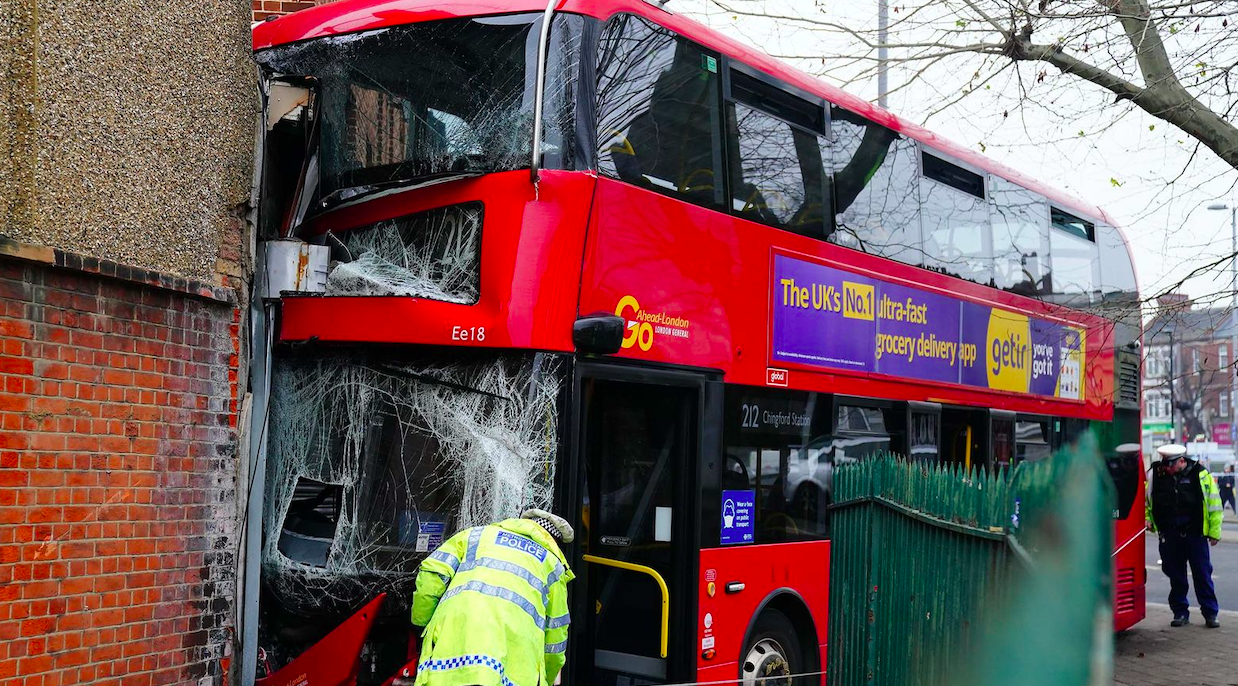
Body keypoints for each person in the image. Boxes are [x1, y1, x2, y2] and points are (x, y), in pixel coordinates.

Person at [409, 509, 575, 686]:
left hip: (449, 662)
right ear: (554, 540)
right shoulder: (553, 566)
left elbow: (432, 574)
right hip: (509, 673)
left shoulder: (475, 535)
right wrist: (547, 678)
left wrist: (420, 624)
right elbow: (555, 639)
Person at [1146, 444, 1224, 628]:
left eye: (1170, 464)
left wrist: (1214, 532)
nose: (1167, 468)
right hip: (1169, 534)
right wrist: (1148, 520)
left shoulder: (1200, 474)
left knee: (1202, 574)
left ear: (1181, 461)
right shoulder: (1155, 475)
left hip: (1194, 534)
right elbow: (1147, 501)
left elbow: (1214, 504)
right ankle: (1180, 612)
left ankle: (1210, 613)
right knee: (1176, 576)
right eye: (1165, 464)